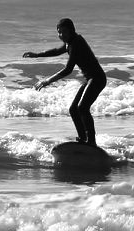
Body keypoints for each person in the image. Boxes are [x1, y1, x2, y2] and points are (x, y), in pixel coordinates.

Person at [25, 18, 106, 147]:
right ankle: (82, 138)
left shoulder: (76, 43)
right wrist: (37, 55)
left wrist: (48, 81)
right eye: (59, 32)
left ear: (71, 31)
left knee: (82, 108)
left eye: (64, 32)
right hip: (90, 79)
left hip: (97, 79)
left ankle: (91, 142)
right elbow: (56, 51)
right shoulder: (70, 42)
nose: (61, 35)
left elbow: (68, 69)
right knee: (74, 109)